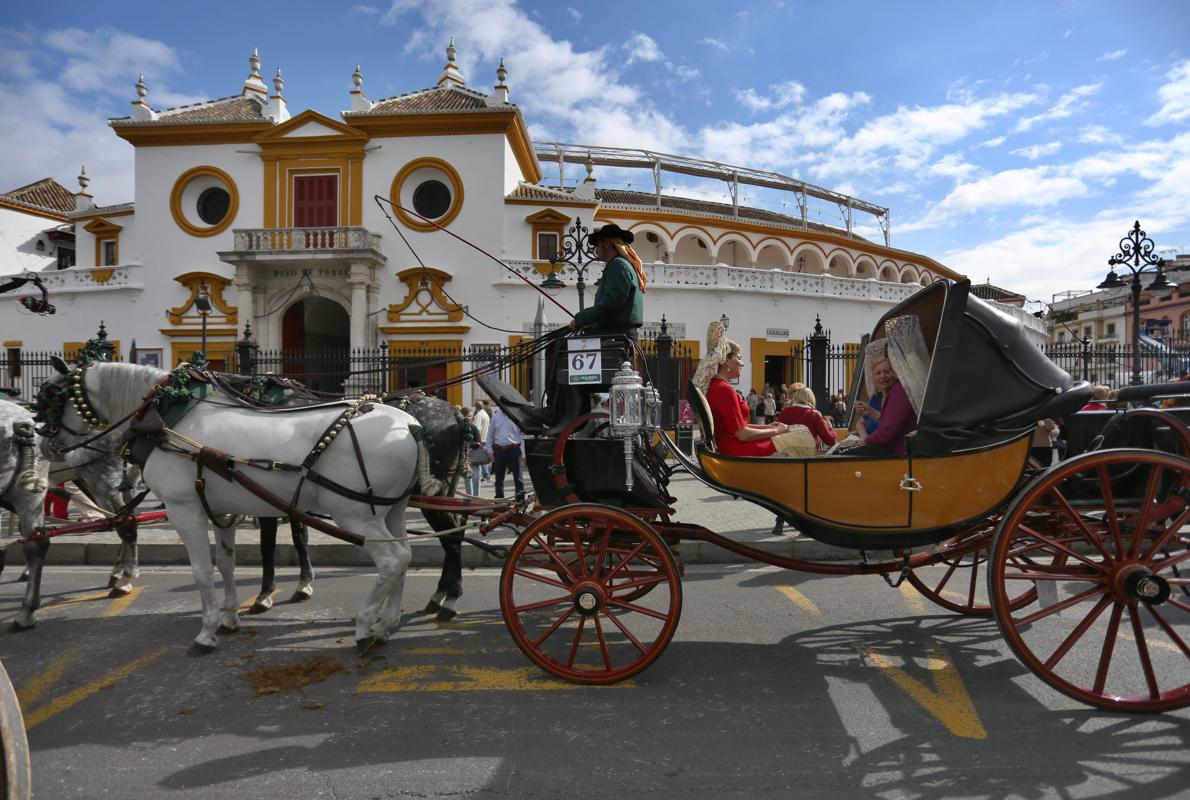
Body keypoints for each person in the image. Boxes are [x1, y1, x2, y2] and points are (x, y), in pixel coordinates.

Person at [692, 322, 802, 457]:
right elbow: (742, 434)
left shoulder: (717, 386)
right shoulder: (724, 389)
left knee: (796, 433)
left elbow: (740, 428)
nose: (742, 363)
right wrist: (776, 431)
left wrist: (770, 427)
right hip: (737, 448)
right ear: (726, 361)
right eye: (739, 358)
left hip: (732, 444)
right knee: (801, 438)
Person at [842, 338, 919, 456]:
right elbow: (865, 424)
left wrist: (863, 441)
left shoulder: (899, 391)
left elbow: (886, 432)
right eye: (878, 373)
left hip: (898, 453)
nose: (883, 376)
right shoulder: (878, 397)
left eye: (887, 372)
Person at [568, 224, 646, 335]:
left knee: (560, 348)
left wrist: (581, 318)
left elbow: (611, 304)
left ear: (607, 244)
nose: (596, 249)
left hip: (614, 333)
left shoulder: (617, 265)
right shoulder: (622, 264)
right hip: (617, 331)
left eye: (598, 245)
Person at [777, 384, 837, 450]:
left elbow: (776, 432)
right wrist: (830, 429)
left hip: (786, 455)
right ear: (811, 399)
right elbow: (830, 441)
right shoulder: (814, 415)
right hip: (807, 456)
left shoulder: (785, 412)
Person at [486, 405, 525, 501]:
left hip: (514, 449)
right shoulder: (496, 416)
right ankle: (499, 499)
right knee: (498, 478)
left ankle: (519, 500)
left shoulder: (517, 416)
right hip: (499, 450)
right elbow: (490, 435)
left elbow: (523, 435)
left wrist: (523, 453)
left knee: (518, 478)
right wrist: (490, 451)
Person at [461, 408, 483, 496]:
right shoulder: (460, 428)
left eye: (470, 416)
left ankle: (476, 497)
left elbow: (478, 443)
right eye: (467, 416)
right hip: (464, 457)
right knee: (467, 478)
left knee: (476, 478)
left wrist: (469, 445)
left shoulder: (474, 428)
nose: (469, 418)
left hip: (474, 456)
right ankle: (469, 497)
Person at [472, 401, 491, 481]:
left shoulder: (479, 415)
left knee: (480, 458)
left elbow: (476, 428)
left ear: (476, 407)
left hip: (480, 439)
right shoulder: (486, 414)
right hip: (485, 438)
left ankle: (485, 475)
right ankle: (486, 475)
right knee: (483, 458)